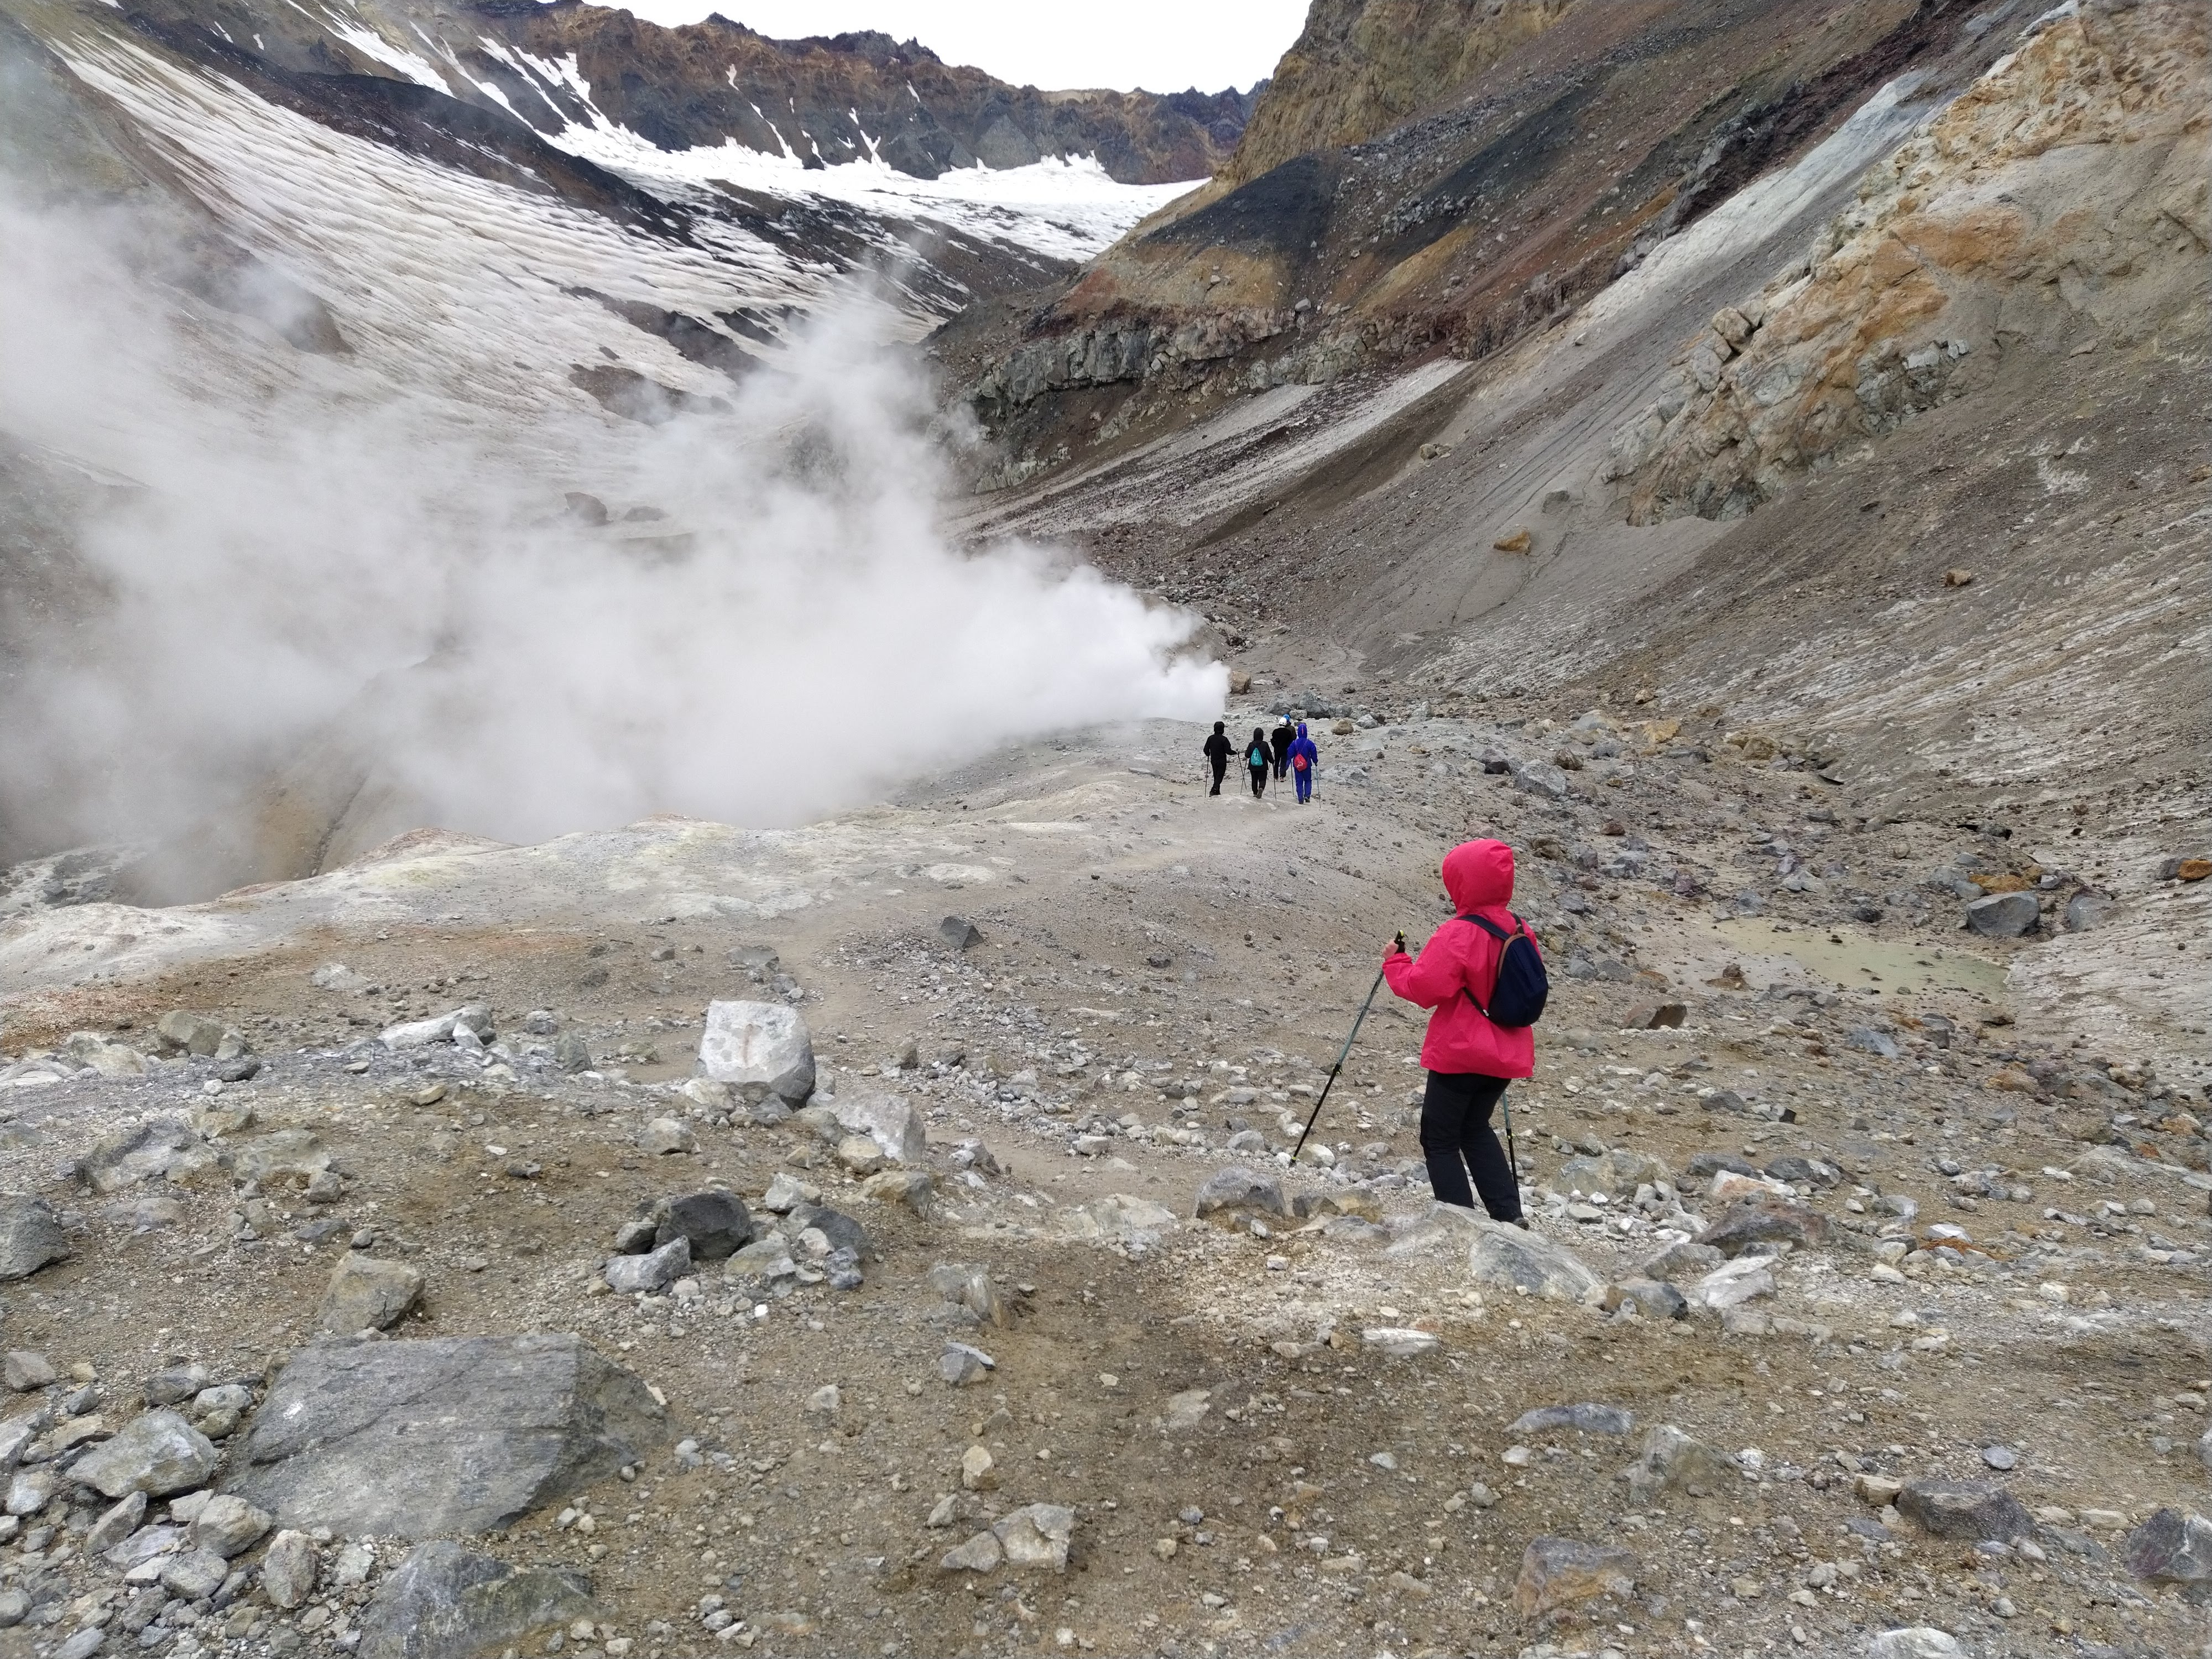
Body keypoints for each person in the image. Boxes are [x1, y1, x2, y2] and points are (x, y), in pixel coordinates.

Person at [1381, 838, 1539, 1225]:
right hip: (1506, 1054)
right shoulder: (1521, 929)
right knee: (1475, 1128)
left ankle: (1459, 1223)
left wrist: (1396, 962)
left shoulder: (1459, 932)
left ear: (1462, 882)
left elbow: (1424, 989)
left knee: (1439, 1138)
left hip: (1461, 1052)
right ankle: (1508, 1214)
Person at [1287, 721, 1319, 804]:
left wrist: (1288, 762)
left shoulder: (1294, 743)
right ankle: (1307, 796)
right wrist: (1315, 761)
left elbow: (1290, 754)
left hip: (1297, 765)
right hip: (1307, 765)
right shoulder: (1309, 743)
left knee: (1299, 782)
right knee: (1308, 780)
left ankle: (1300, 798)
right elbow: (1314, 753)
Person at [1202, 721, 1232, 795]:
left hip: (1214, 760)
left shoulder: (1210, 738)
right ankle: (1214, 790)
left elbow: (1206, 750)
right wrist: (1236, 753)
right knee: (1220, 776)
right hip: (1222, 761)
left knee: (1216, 775)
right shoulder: (1224, 739)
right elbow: (1228, 751)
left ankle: (1217, 791)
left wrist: (1208, 754)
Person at [1244, 727, 1271, 799]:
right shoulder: (1265, 744)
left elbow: (1247, 755)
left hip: (1253, 766)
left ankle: (1255, 793)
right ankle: (1261, 788)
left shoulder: (1251, 744)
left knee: (1254, 779)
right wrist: (1272, 761)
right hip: (1263, 766)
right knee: (1263, 779)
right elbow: (1269, 755)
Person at [1270, 714, 1296, 780]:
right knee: (1283, 763)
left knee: (1277, 762)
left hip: (1277, 749)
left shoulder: (1275, 731)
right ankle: (1282, 776)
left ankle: (1276, 776)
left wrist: (1275, 746)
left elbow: (1273, 740)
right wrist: (1287, 746)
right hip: (1285, 749)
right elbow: (1290, 740)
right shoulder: (1288, 732)